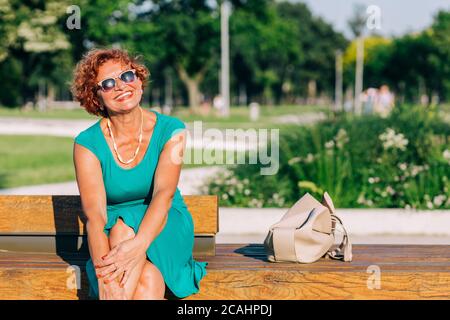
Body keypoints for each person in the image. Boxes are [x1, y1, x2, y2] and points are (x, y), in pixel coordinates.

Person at [71, 48, 208, 300]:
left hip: (164, 223)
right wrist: (106, 278)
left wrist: (139, 245)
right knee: (148, 279)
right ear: (96, 97)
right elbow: (96, 217)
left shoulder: (171, 130)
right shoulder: (87, 143)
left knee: (124, 230)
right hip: (110, 237)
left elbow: (163, 195)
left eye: (127, 76)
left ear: (140, 81)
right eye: (108, 83)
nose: (121, 86)